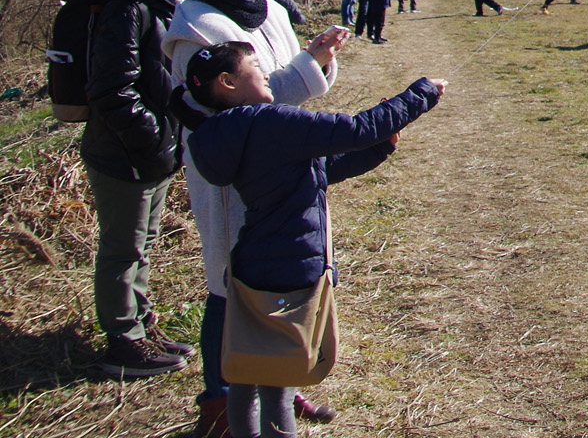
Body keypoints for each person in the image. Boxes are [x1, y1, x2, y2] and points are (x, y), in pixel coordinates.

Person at [173, 43, 443, 438]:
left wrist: (383, 146)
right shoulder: (270, 122)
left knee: (246, 373)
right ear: (228, 82)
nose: (266, 73)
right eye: (255, 66)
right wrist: (421, 94)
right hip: (293, 267)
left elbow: (320, 169)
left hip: (250, 265)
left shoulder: (225, 133)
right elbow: (355, 131)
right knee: (280, 379)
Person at [162, 0, 345, 437]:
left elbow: (296, 82)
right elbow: (245, 114)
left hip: (288, 178)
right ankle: (220, 401)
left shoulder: (270, 14)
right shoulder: (199, 29)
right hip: (236, 184)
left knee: (288, 283)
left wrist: (319, 58)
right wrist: (307, 67)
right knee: (233, 289)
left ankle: (281, 384)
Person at [83, 0, 200, 380]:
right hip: (124, 150)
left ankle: (142, 326)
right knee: (122, 248)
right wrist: (153, 142)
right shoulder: (129, 3)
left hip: (153, 148)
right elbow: (112, 89)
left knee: (144, 243)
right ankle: (122, 345)